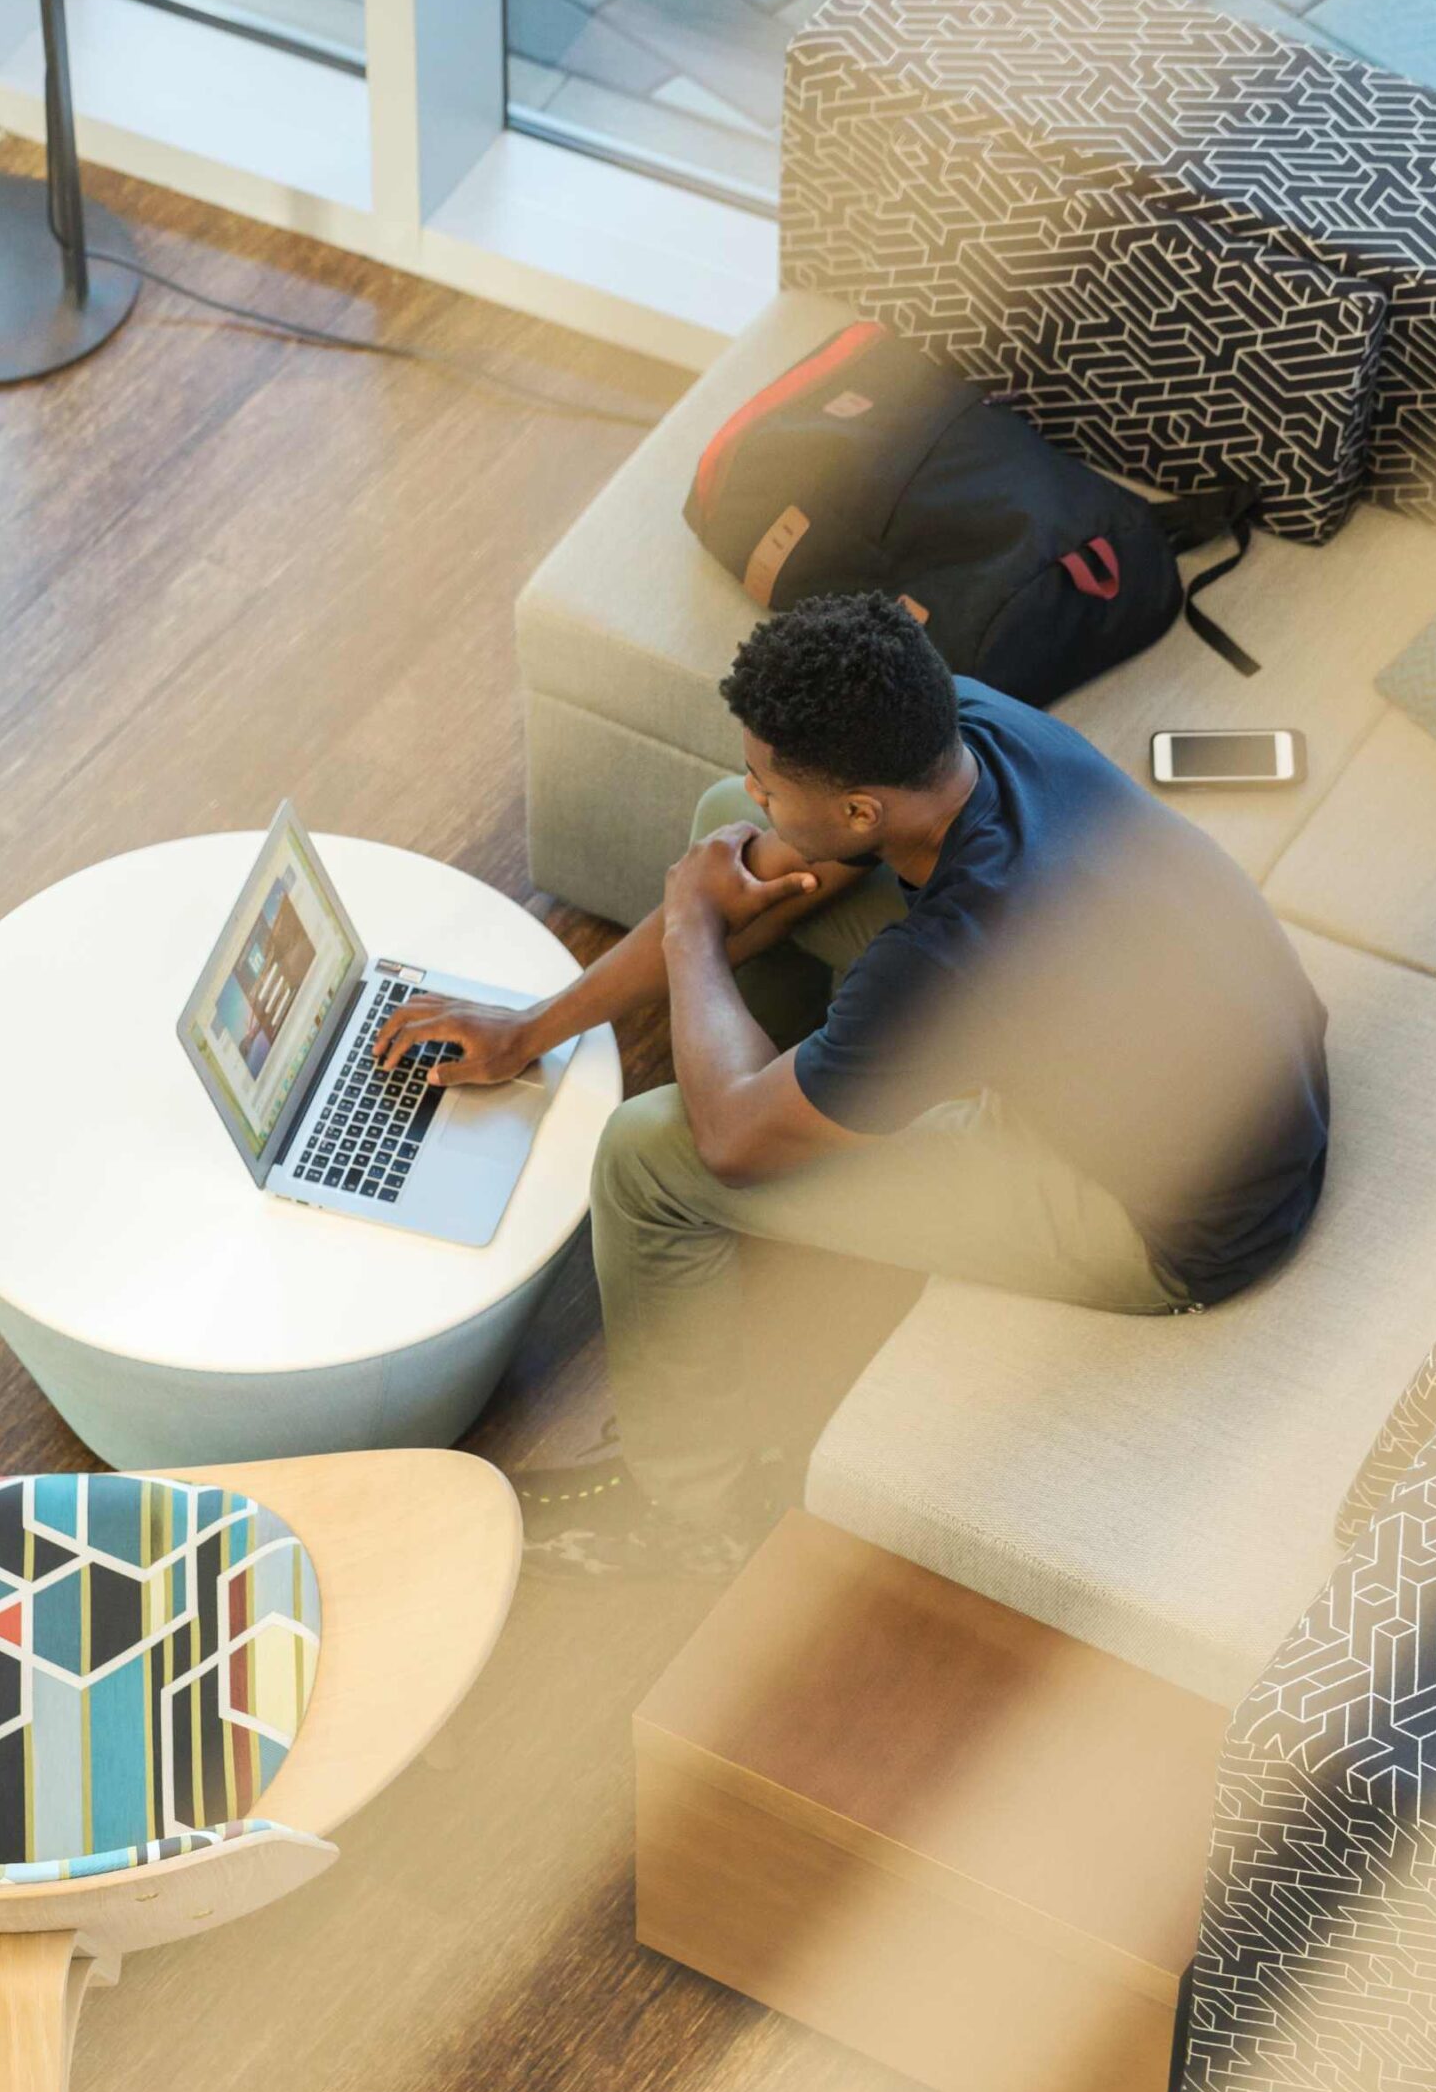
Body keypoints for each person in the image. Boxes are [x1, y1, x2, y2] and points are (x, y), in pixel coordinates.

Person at [375, 594, 1331, 1578]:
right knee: (721, 832)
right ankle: (806, 1098)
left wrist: (689, 929)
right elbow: (767, 855)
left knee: (646, 1156)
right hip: (1235, 1076)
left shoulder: (961, 947)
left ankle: (689, 1511)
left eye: (771, 781)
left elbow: (728, 1141)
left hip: (1167, 1222)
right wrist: (530, 1030)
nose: (756, 792)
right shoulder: (961, 725)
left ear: (863, 810)